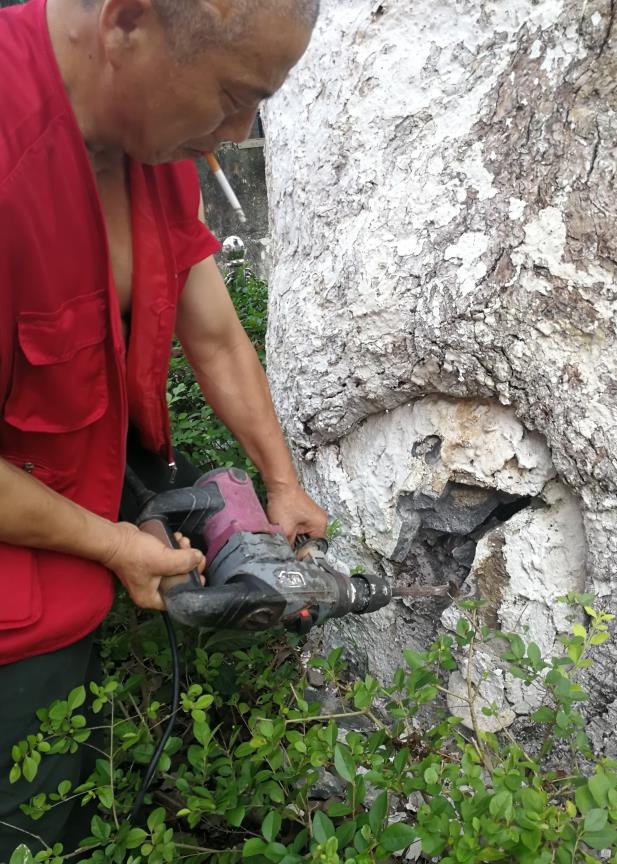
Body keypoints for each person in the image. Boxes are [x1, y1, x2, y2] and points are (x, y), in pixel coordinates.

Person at [0, 0, 326, 853]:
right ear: (127, 22)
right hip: (14, 624)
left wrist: (281, 482)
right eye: (228, 94)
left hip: (82, 568)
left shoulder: (153, 145)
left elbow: (212, 333)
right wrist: (111, 544)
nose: (234, 131)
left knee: (73, 812)